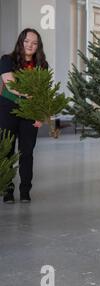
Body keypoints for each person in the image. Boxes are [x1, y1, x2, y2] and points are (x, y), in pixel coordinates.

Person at [0, 28, 48, 203]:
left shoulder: (42, 65)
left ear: (38, 46)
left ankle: (25, 190)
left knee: (27, 152)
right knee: (7, 150)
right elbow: (10, 84)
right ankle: (7, 190)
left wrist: (40, 114)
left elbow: (43, 92)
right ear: (21, 41)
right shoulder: (7, 60)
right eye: (27, 41)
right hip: (7, 111)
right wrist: (29, 93)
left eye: (34, 43)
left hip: (30, 113)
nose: (30, 45)